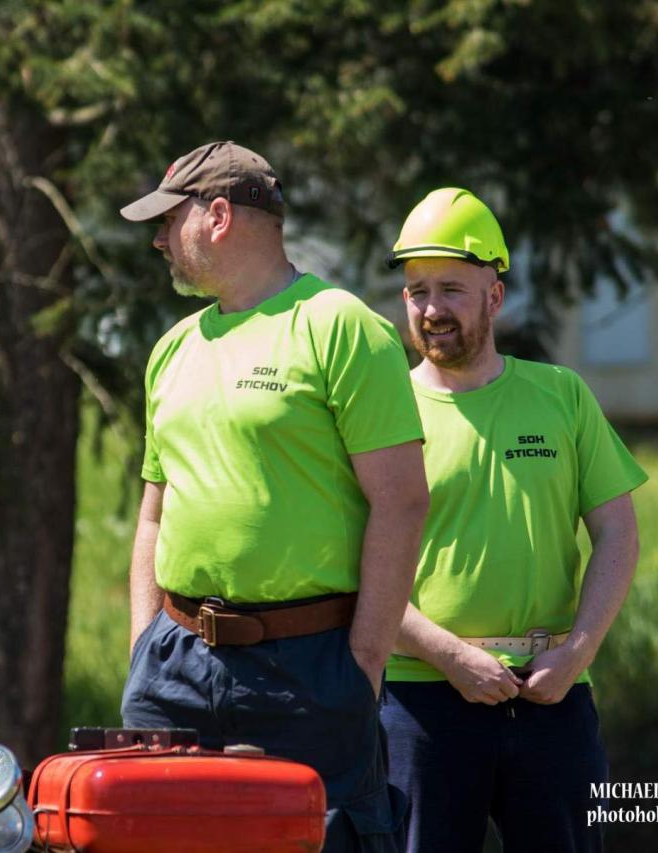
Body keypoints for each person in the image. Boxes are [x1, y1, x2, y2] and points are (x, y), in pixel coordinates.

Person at [118, 141, 430, 852]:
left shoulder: (340, 326)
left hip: (310, 667)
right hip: (173, 666)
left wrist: (363, 663)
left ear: (218, 215)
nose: (159, 240)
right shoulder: (172, 349)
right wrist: (143, 649)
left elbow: (403, 502)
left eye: (168, 221)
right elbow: (154, 515)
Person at [381, 188, 647, 853]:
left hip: (551, 694)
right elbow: (354, 565)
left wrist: (578, 650)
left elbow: (618, 530)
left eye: (451, 289)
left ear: (495, 297)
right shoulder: (379, 413)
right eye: (417, 291)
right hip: (420, 699)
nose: (431, 309)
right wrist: (450, 656)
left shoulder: (561, 394)